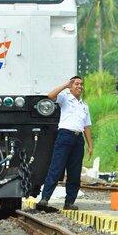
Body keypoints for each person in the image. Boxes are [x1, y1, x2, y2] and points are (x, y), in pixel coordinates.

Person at [37, 76, 93, 210]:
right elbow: (51, 95)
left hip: (78, 138)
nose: (79, 86)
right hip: (65, 135)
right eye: (76, 84)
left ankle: (69, 202)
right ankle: (44, 199)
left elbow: (87, 126)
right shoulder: (65, 98)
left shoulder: (84, 106)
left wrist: (90, 144)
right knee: (56, 168)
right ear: (71, 86)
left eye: (81, 84)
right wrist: (65, 85)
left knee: (74, 172)